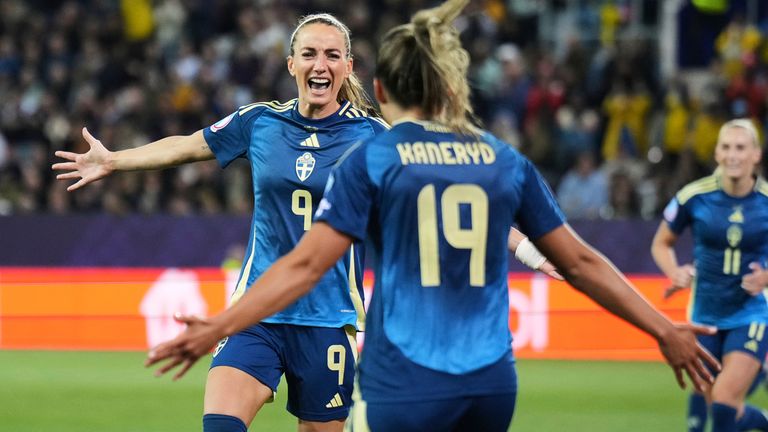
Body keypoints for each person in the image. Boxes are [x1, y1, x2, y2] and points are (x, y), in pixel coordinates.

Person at [145, 1, 719, 431]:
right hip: (490, 382)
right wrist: (662, 328)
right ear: (452, 86)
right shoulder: (500, 158)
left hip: (401, 376)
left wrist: (218, 326)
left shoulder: (373, 156)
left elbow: (304, 266)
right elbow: (583, 259)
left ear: (377, 86)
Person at [53, 13, 388, 432]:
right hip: (255, 313)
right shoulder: (260, 121)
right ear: (291, 65)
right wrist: (115, 160)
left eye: (332, 55)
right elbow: (187, 146)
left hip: (327, 319)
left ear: (348, 67)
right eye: (309, 54)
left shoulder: (375, 137)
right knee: (220, 425)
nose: (320, 64)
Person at [652, 118, 768, 432]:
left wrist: (766, 277)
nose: (733, 155)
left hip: (751, 315)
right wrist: (675, 271)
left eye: (741, 148)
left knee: (723, 401)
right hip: (704, 319)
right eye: (726, 147)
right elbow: (661, 243)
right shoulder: (694, 196)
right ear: (716, 153)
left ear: (756, 154)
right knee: (717, 404)